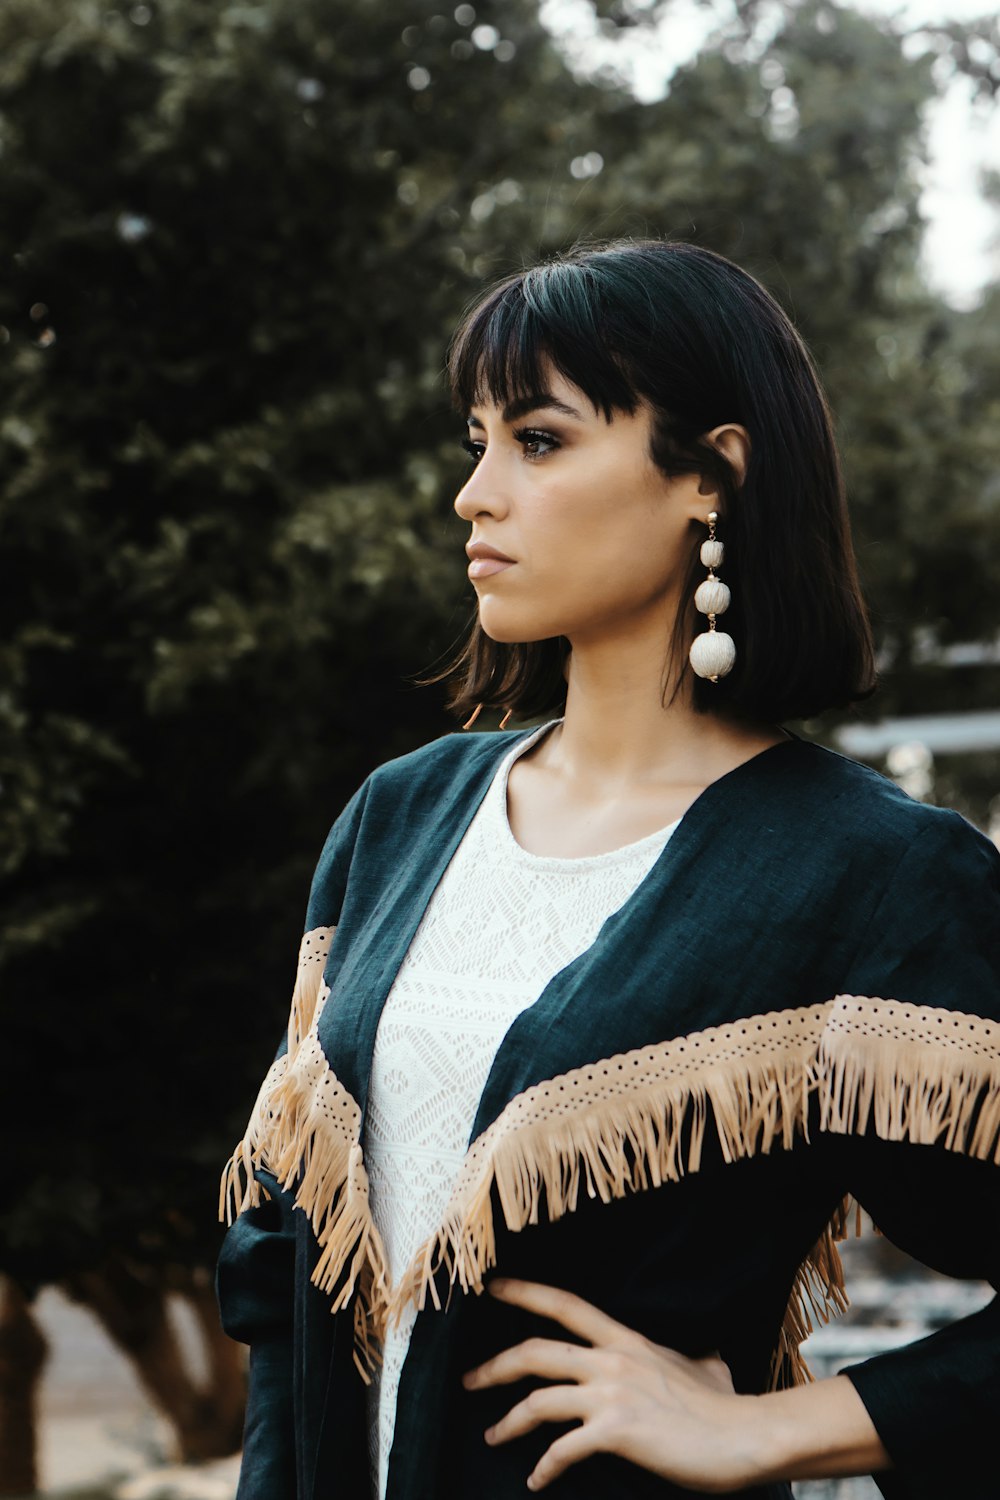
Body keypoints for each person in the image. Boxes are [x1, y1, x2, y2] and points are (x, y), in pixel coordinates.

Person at [215, 238, 1000, 1500]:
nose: (475, 493)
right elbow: (282, 1275)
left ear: (710, 476)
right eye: (474, 441)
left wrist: (773, 1430)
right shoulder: (396, 819)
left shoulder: (874, 871)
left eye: (537, 441)